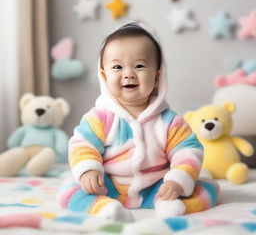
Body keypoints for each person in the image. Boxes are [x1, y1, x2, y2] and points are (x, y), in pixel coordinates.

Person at [57, 21, 218, 222]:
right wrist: (88, 170)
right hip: (107, 185)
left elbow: (188, 150)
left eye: (139, 65)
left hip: (157, 186)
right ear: (104, 76)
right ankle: (104, 208)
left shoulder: (169, 121)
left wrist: (177, 180)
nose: (128, 73)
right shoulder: (99, 117)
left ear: (158, 76)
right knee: (70, 189)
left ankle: (171, 204)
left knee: (206, 188)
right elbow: (82, 144)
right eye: (117, 66)